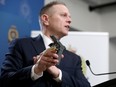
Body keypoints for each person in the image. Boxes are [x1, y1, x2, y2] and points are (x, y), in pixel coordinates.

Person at [0, 1, 91, 87]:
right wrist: (36, 69)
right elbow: (5, 81)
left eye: (70, 17)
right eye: (64, 15)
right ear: (45, 19)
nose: (69, 20)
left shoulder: (74, 59)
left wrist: (58, 74)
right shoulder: (21, 45)